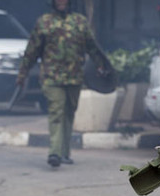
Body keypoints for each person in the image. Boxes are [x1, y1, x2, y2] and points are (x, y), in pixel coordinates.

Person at [16, 0, 108, 168]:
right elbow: (32, 50)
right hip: (51, 77)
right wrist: (23, 74)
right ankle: (54, 153)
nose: (61, 2)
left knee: (69, 112)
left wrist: (102, 65)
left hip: (74, 77)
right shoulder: (44, 22)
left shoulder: (80, 22)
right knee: (56, 112)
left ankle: (65, 153)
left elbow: (92, 47)